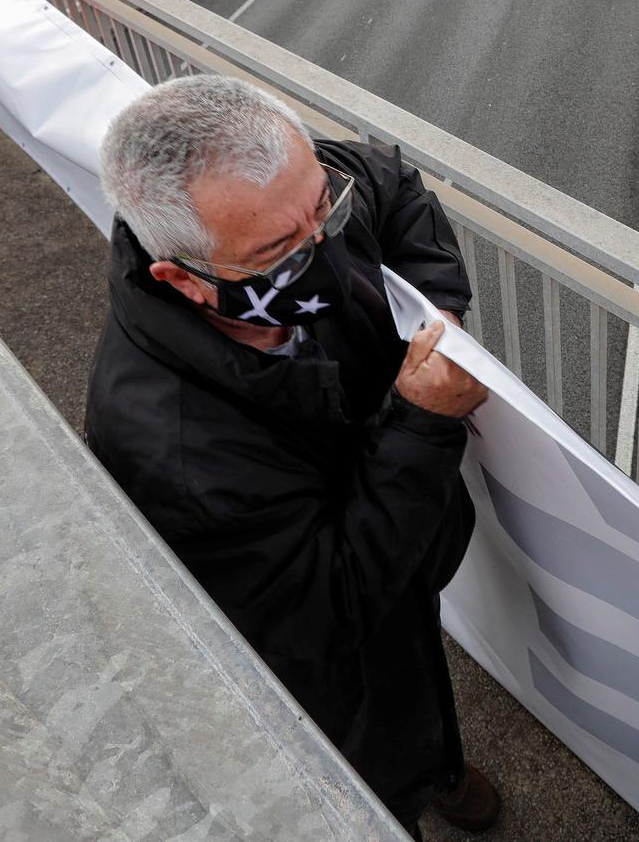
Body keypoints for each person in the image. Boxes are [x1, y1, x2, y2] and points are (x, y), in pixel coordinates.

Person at [87, 76, 502, 836]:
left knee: (415, 655)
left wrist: (437, 313)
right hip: (328, 648)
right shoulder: (171, 452)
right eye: (281, 251)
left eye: (325, 209)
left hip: (400, 558)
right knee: (366, 743)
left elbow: (390, 180)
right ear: (183, 277)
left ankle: (442, 765)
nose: (326, 248)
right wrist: (421, 423)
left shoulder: (288, 192)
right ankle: (402, 803)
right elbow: (328, 607)